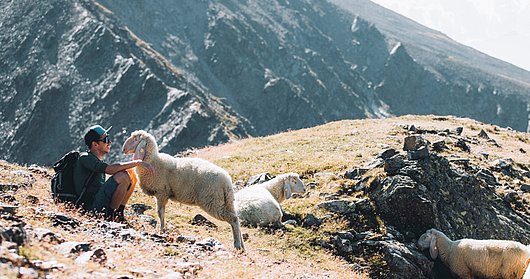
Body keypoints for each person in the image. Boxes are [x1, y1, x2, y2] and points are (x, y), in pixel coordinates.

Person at [73, 124, 154, 221]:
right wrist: (138, 162)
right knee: (123, 176)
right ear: (95, 144)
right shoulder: (85, 158)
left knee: (131, 173)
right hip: (90, 206)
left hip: (98, 200)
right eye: (106, 140)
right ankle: (111, 216)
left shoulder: (94, 159)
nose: (110, 142)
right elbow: (110, 170)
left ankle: (119, 213)